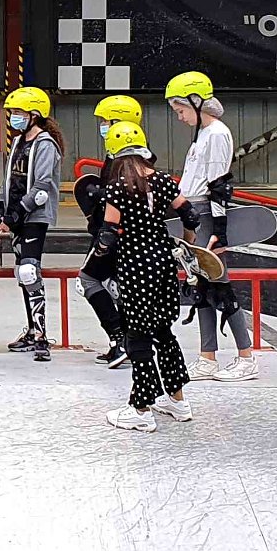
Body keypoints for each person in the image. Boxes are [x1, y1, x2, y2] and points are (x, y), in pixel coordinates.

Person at [99, 122, 200, 432]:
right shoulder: (164, 181)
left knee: (138, 335)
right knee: (163, 330)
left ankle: (140, 409)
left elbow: (108, 233)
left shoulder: (118, 187)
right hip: (164, 261)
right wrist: (188, 238)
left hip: (135, 265)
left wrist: (101, 253)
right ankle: (178, 401)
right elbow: (190, 213)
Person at [166, 71, 258, 382]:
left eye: (180, 110)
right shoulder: (203, 134)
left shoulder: (217, 133)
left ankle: (246, 356)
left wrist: (219, 231)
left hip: (207, 214)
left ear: (195, 102)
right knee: (201, 285)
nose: (179, 117)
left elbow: (219, 186)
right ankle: (208, 357)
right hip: (195, 212)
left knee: (220, 284)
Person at [0, 87, 63, 362]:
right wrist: (1, 208)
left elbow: (41, 186)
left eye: (18, 112)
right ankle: (32, 330)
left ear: (34, 115)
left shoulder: (45, 144)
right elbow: (10, 178)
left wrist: (17, 213)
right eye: (12, 113)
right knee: (22, 273)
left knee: (30, 271)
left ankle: (42, 336)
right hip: (17, 214)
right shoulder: (19, 141)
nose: (14, 117)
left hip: (34, 216)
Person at [78, 95, 144, 369]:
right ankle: (125, 340)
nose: (102, 126)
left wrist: (101, 195)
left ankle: (119, 338)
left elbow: (127, 195)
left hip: (115, 233)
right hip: (115, 231)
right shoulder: (119, 156)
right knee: (116, 286)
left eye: (106, 121)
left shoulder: (125, 160)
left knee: (88, 280)